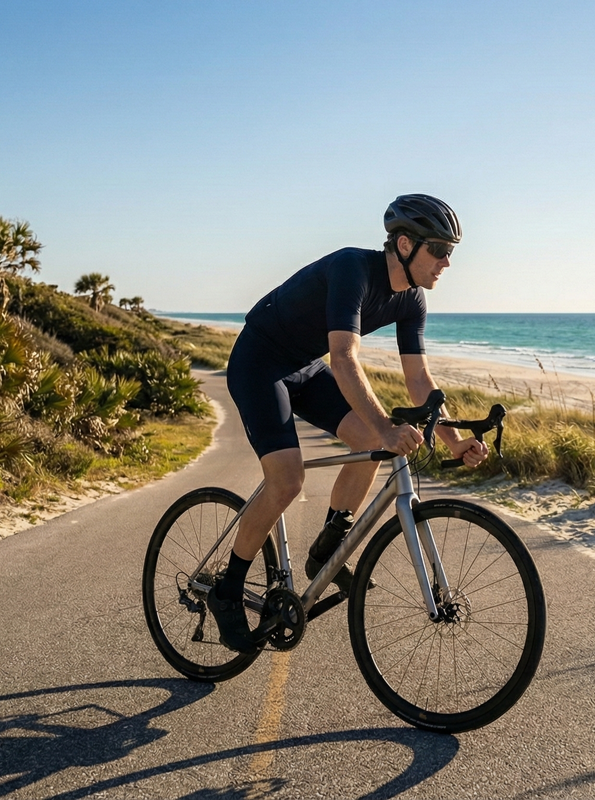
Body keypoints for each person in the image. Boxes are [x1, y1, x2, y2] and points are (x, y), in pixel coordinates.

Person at [208, 194, 489, 652]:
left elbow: (418, 377)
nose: (446, 262)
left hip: (302, 364)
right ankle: (227, 589)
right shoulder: (352, 271)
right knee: (287, 481)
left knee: (371, 445)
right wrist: (384, 425)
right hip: (259, 361)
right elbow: (343, 356)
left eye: (451, 253)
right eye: (439, 250)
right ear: (404, 244)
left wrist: (455, 442)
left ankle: (328, 545)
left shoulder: (412, 300)